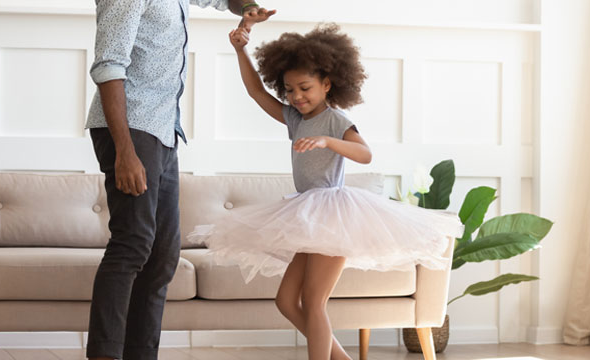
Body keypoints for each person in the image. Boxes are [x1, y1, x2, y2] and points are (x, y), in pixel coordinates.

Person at [189, 23, 462, 360]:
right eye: (289, 90)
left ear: (327, 84)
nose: (296, 97)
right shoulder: (295, 119)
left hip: (333, 215)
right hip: (306, 214)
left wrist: (328, 140)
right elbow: (257, 93)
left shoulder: (335, 119)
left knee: (314, 301)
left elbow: (365, 154)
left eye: (304, 88)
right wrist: (240, 50)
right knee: (286, 301)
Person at [84, 0, 275, 360]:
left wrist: (247, 7)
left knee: (163, 254)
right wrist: (126, 153)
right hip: (129, 128)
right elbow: (110, 68)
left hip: (163, 130)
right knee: (133, 244)